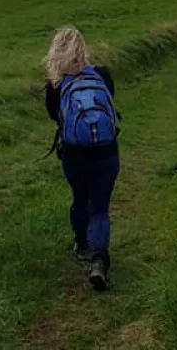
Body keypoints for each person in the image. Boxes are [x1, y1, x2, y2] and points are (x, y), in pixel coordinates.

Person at [45, 27, 121, 291]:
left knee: (80, 198)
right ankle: (100, 260)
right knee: (100, 205)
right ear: (83, 48)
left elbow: (55, 116)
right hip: (106, 150)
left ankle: (82, 244)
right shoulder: (102, 75)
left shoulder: (56, 84)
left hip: (74, 154)